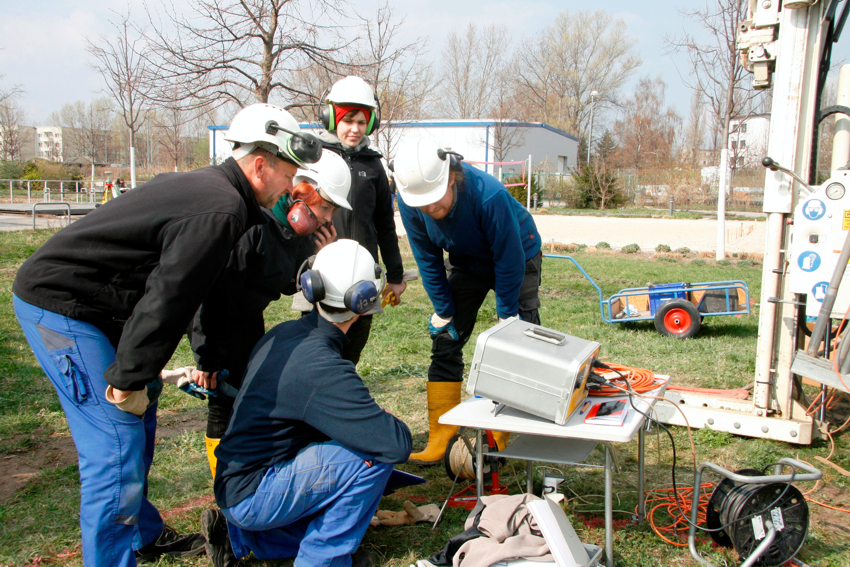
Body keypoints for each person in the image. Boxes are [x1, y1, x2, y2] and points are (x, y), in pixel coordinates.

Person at [12, 103, 322, 566]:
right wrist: (129, 376)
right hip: (62, 306)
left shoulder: (219, 192)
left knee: (141, 416)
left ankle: (142, 533)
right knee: (117, 442)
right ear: (261, 165)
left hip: (106, 308)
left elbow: (223, 277)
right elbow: (171, 296)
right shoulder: (220, 210)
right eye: (288, 174)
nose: (289, 188)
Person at [202, 239, 412, 567]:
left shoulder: (282, 333)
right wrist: (380, 420)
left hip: (237, 484)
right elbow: (396, 443)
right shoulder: (322, 367)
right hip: (254, 495)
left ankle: (242, 540)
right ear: (364, 299)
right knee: (372, 457)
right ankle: (322, 560)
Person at [190, 149, 353, 478]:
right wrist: (207, 356)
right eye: (325, 207)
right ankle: (227, 486)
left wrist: (321, 259)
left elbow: (293, 286)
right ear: (300, 193)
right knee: (223, 397)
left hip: (249, 317)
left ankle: (248, 470)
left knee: (247, 396)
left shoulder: (298, 235)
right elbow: (211, 293)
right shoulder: (251, 226)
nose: (328, 219)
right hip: (217, 318)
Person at [393, 138, 543, 465]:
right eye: (423, 205)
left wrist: (507, 321)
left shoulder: (489, 196)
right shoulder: (411, 201)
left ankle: (494, 441)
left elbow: (509, 261)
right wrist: (444, 311)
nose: (430, 210)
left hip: (519, 253)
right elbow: (427, 259)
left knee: (520, 345)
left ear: (451, 177)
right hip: (466, 261)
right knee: (446, 339)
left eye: (435, 201)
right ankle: (441, 437)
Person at [305, 75, 406, 364]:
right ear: (332, 118)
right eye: (348, 120)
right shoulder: (315, 159)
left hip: (363, 273)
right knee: (316, 347)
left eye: (362, 122)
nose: (355, 129)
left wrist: (396, 277)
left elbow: (386, 225)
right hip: (321, 269)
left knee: (351, 352)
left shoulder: (374, 165)